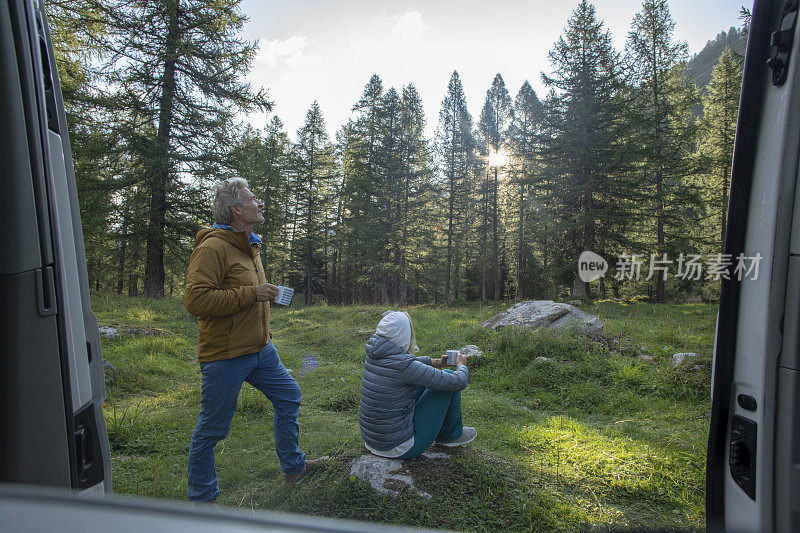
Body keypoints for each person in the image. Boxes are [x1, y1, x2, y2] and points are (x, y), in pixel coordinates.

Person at [184, 177, 326, 503]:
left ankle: (295, 469)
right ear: (236, 208)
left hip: (261, 348)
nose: (259, 203)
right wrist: (252, 293)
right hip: (226, 355)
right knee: (212, 429)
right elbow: (196, 301)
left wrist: (264, 294)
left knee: (289, 395)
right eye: (253, 198)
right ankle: (202, 501)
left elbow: (243, 294)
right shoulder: (212, 247)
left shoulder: (251, 245)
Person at [359, 311, 476, 459]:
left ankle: (450, 432)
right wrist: (461, 365)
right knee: (450, 376)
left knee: (436, 376)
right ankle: (451, 436)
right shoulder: (404, 366)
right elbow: (457, 382)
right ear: (403, 335)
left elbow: (406, 365)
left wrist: (436, 363)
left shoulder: (374, 355)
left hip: (374, 441)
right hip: (399, 447)